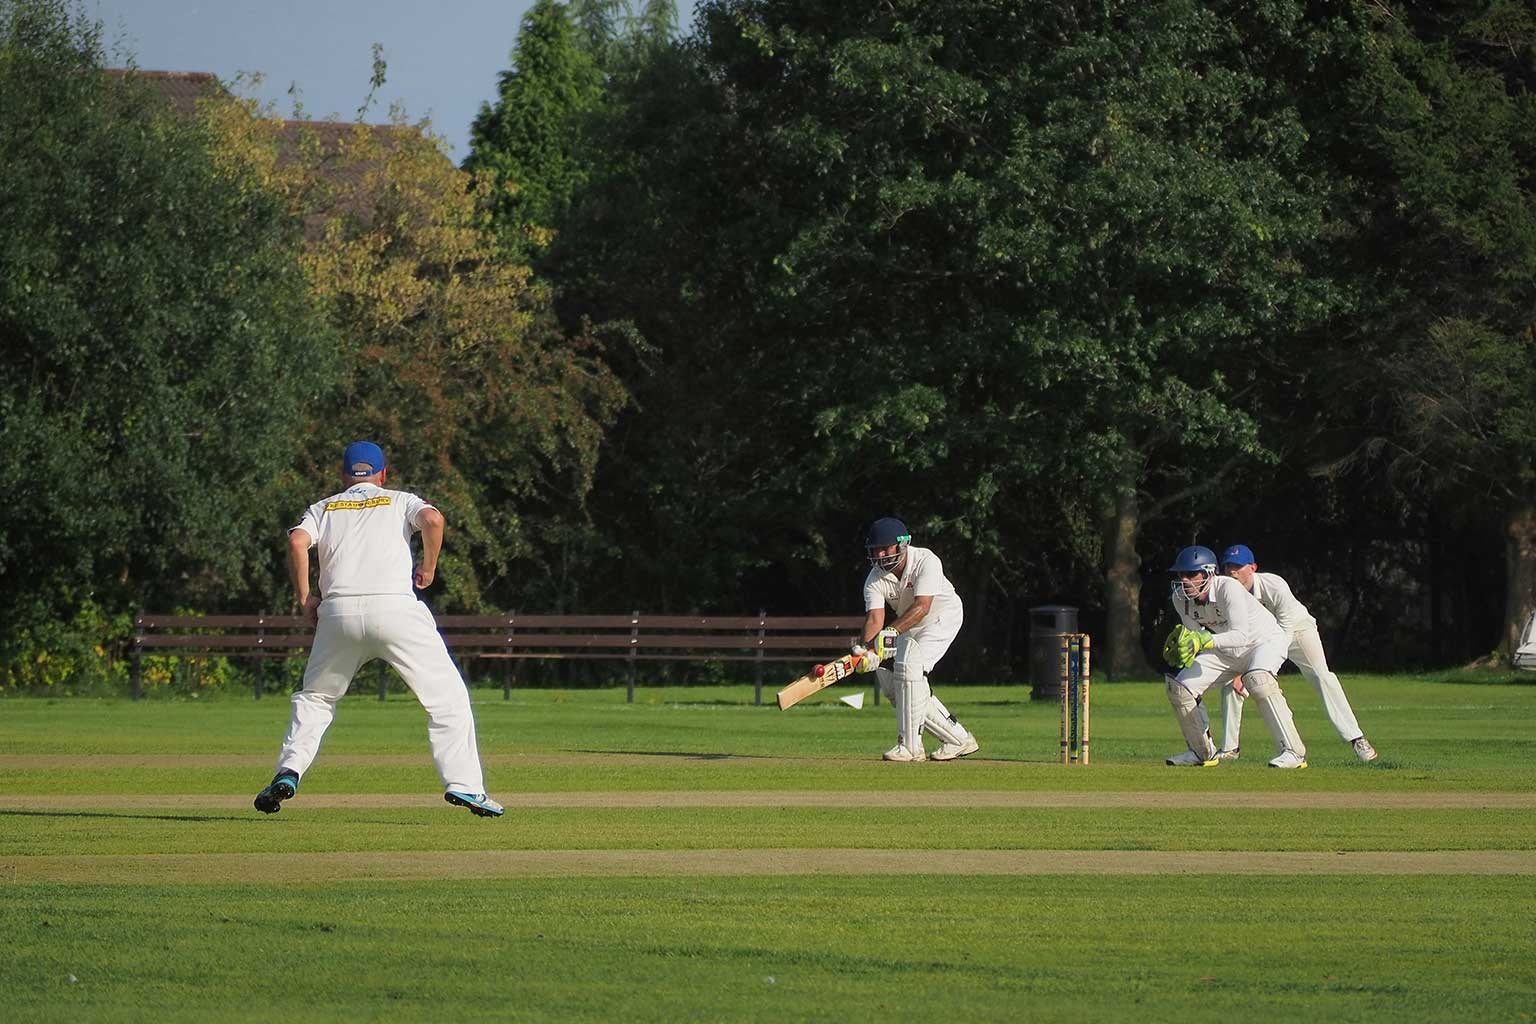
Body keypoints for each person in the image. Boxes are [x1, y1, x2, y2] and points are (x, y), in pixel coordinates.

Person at [253, 441, 503, 817]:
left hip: (337, 613)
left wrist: (306, 597)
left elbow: (296, 542)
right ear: (383, 475)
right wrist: (429, 567)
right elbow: (434, 521)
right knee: (447, 699)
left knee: (317, 699)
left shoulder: (324, 507)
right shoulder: (401, 500)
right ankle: (465, 786)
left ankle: (289, 771)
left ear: (343, 475)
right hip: (395, 609)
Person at [1212, 544, 1379, 763]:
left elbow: (1284, 630)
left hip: (1297, 631)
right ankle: (1230, 748)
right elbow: (1235, 632)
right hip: (1261, 637)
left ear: (1253, 567)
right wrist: (1240, 670)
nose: (1232, 572)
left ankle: (1356, 738)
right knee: (1233, 683)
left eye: (1238, 566)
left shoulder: (1274, 585)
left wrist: (1263, 670)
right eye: (1228, 567)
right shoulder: (1226, 593)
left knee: (1321, 676)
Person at [1162, 544, 1309, 769]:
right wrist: (1188, 650)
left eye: (1191, 574)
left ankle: (1293, 752)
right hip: (1225, 650)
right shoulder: (1179, 598)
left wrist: (1202, 641)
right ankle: (1202, 753)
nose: (1185, 580)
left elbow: (1240, 635)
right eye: (1181, 574)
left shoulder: (1228, 588)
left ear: (1209, 573)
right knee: (1180, 687)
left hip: (1263, 642)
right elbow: (1196, 635)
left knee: (1258, 680)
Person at [853, 517, 978, 762]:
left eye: (885, 548)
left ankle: (910, 747)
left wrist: (890, 634)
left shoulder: (926, 561)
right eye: (875, 549)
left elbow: (922, 606)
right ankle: (958, 739)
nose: (880, 554)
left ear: (902, 544)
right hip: (909, 624)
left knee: (911, 668)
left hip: (942, 617)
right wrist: (867, 651)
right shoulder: (875, 578)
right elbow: (874, 620)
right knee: (889, 681)